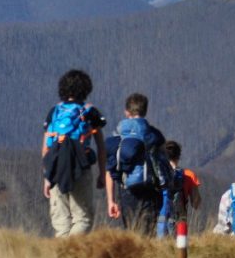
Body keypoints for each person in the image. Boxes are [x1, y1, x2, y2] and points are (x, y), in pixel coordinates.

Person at [41, 69, 107, 237]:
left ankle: (62, 257)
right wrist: (102, 173)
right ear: (85, 88)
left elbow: (46, 147)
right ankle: (71, 252)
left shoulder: (54, 112)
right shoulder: (90, 112)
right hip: (80, 166)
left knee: (61, 223)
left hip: (55, 168)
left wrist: (47, 176)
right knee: (83, 218)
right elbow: (100, 145)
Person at [104, 92, 167, 236]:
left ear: (126, 112)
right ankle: (147, 257)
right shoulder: (155, 135)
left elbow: (110, 170)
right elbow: (165, 164)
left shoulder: (118, 136)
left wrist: (111, 201)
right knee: (148, 233)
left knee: (132, 232)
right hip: (150, 189)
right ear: (145, 111)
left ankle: (134, 257)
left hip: (127, 189)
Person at [164, 140, 202, 232]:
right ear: (179, 156)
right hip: (180, 223)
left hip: (160, 221)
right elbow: (196, 204)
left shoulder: (158, 175)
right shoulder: (189, 175)